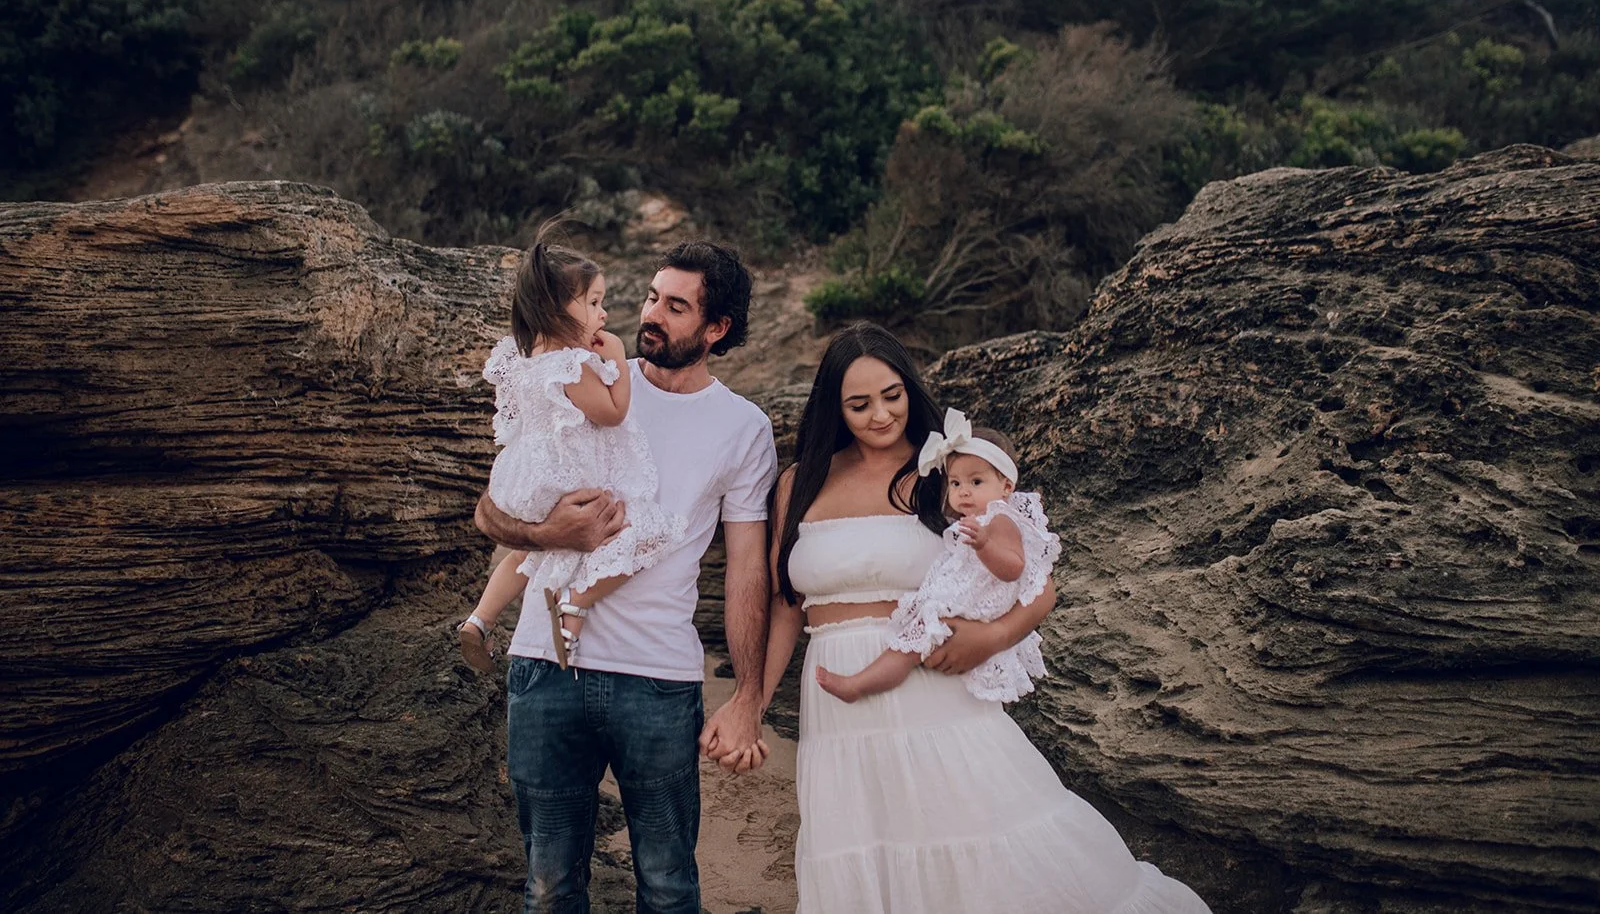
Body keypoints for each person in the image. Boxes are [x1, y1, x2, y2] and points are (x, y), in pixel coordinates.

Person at [761, 321, 1212, 913]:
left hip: (936, 686)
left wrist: (993, 636)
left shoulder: (948, 475)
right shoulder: (801, 482)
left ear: (910, 389)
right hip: (837, 702)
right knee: (864, 842)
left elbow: (1036, 581)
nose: (879, 415)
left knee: (978, 829)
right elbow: (785, 605)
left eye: (892, 395)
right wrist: (753, 702)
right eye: (859, 403)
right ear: (834, 408)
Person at [475, 241, 777, 914]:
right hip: (544, 662)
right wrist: (548, 534)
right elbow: (492, 507)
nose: (651, 314)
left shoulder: (744, 427)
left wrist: (748, 695)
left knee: (668, 887)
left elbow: (748, 570)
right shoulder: (577, 373)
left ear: (716, 328)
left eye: (675, 306)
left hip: (659, 681)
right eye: (649, 297)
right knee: (549, 888)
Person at [458, 228, 686, 672]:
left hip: (528, 477)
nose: (604, 314)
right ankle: (573, 611)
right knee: (641, 530)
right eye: (595, 303)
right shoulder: (571, 366)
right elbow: (613, 412)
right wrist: (617, 358)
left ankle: (479, 619)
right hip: (569, 476)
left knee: (527, 553)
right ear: (558, 310)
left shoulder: (525, 362)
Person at [815, 410, 1055, 704]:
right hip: (958, 601)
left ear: (1006, 486)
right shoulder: (973, 519)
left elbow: (1014, 568)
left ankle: (859, 685)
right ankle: (861, 683)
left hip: (971, 605)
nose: (964, 492)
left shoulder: (1000, 519)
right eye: (955, 484)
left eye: (976, 482)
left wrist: (984, 545)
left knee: (905, 651)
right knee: (907, 647)